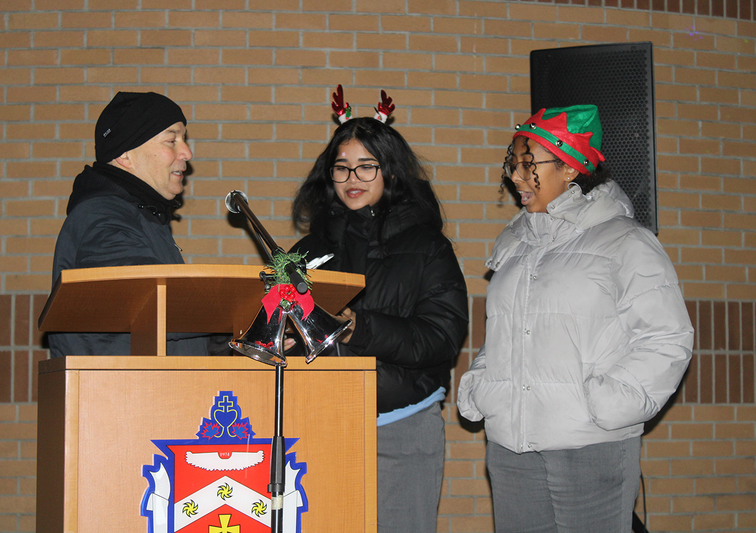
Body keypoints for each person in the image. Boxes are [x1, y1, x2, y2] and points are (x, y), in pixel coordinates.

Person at [457, 105, 694, 532]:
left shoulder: (626, 242)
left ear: (569, 169)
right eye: (512, 163)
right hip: (512, 447)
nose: (515, 176)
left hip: (589, 447)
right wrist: (483, 384)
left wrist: (605, 403)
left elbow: (667, 337)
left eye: (528, 164)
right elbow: (504, 336)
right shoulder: (515, 246)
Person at [290, 90, 469, 533]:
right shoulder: (306, 251)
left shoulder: (428, 247)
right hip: (319, 424)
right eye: (342, 166)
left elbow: (442, 339)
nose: (353, 176)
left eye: (366, 165)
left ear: (390, 171)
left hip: (400, 427)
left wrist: (360, 328)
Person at [47, 91, 208, 357]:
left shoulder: (139, 215)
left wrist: (246, 341)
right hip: (121, 395)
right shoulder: (103, 219)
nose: (187, 152)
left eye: (184, 139)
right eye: (172, 140)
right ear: (125, 155)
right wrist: (251, 316)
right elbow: (155, 304)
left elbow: (175, 334)